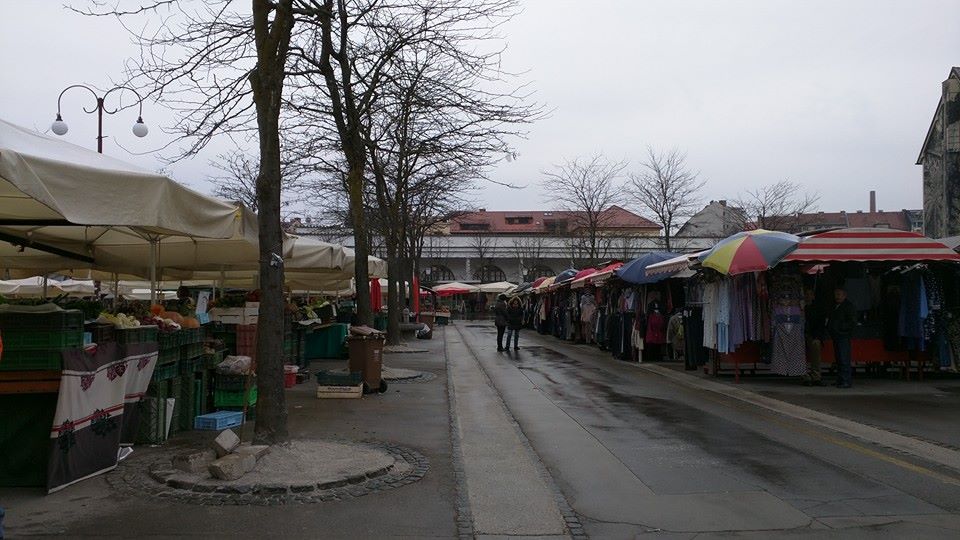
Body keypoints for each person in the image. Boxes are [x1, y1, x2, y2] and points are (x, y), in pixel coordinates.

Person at [827, 286, 856, 388]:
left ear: (844, 295)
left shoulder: (848, 306)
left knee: (844, 359)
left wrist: (840, 328)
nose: (837, 297)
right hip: (836, 335)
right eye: (836, 294)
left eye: (839, 294)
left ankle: (846, 381)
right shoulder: (834, 306)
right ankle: (840, 379)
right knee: (839, 359)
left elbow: (852, 322)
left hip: (843, 336)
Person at [803, 288, 826, 386]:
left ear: (813, 296)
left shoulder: (817, 309)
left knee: (816, 347)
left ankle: (816, 376)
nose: (808, 296)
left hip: (812, 335)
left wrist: (817, 337)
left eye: (810, 294)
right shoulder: (800, 308)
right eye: (806, 294)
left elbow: (820, 324)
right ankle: (804, 376)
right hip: (800, 335)